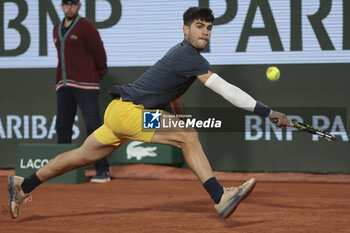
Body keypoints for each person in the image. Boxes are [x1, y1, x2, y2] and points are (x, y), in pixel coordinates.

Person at [8, 7, 290, 219]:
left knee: (78, 157)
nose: (205, 31)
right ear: (185, 29)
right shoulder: (190, 57)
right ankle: (220, 196)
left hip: (117, 113)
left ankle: (24, 184)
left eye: (209, 28)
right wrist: (267, 111)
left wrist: (178, 117)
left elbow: (175, 92)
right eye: (199, 26)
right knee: (189, 136)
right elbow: (225, 89)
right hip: (130, 112)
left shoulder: (185, 58)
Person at [53, 0, 110, 182]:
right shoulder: (56, 28)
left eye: (73, 4)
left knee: (94, 127)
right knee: (63, 127)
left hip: (87, 85)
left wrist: (94, 75)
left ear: (79, 6)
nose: (69, 7)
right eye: (66, 4)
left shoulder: (86, 26)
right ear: (61, 6)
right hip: (64, 85)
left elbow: (100, 54)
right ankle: (63, 171)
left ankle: (103, 170)